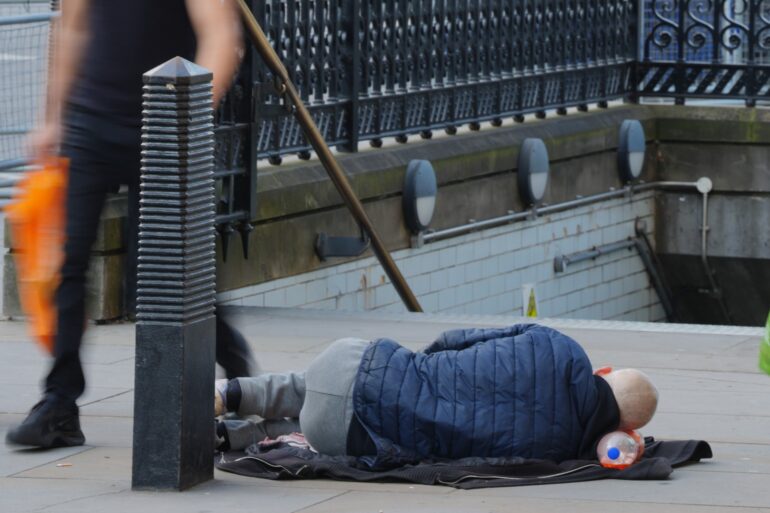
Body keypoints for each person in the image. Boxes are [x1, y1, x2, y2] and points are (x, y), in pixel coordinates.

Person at [6, 0, 254, 449]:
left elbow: (220, 35)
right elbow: (73, 29)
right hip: (88, 122)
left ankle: (240, 377)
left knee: (168, 275)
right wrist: (51, 120)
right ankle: (59, 402)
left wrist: (186, 118)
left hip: (161, 119)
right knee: (67, 263)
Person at [213, 324, 658, 466]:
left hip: (355, 365)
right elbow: (479, 465)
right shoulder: (561, 451)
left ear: (604, 371)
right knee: (315, 423)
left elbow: (458, 339)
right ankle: (236, 438)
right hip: (347, 435)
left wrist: (422, 365)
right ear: (624, 429)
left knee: (301, 385)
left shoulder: (560, 346)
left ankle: (229, 393)